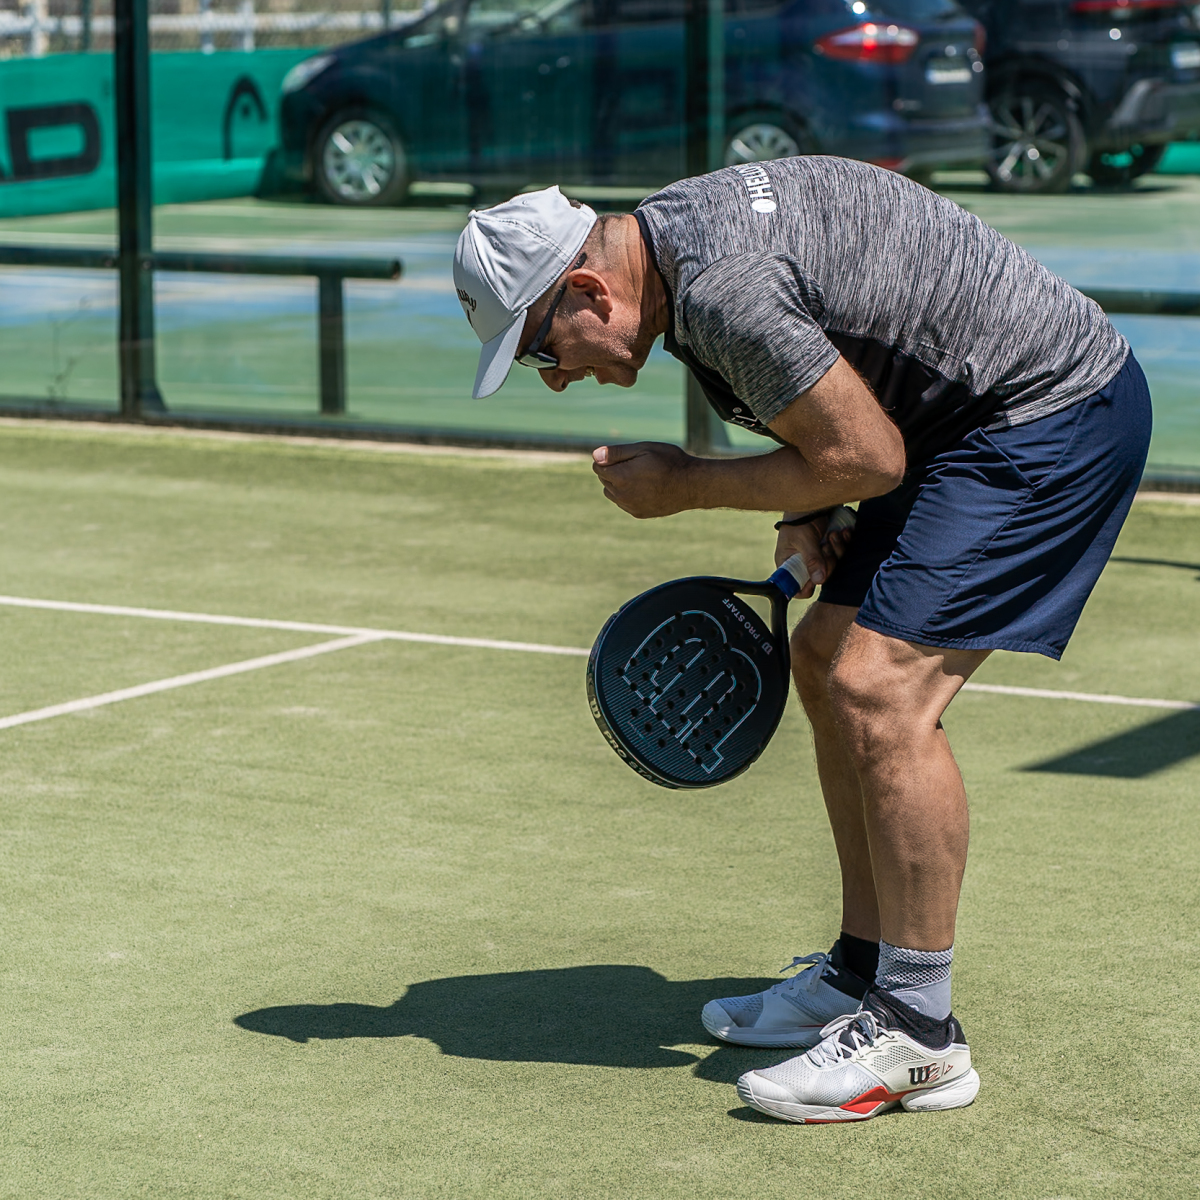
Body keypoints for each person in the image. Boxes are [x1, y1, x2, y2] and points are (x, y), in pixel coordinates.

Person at [451, 160, 1150, 1124]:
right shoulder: (671, 246)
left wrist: (688, 485)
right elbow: (839, 385)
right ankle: (862, 969)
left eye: (541, 350)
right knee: (822, 658)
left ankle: (920, 1031)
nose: (560, 377)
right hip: (953, 422)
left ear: (587, 290)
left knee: (879, 689)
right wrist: (802, 511)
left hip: (1048, 414)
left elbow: (865, 455)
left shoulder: (720, 290)